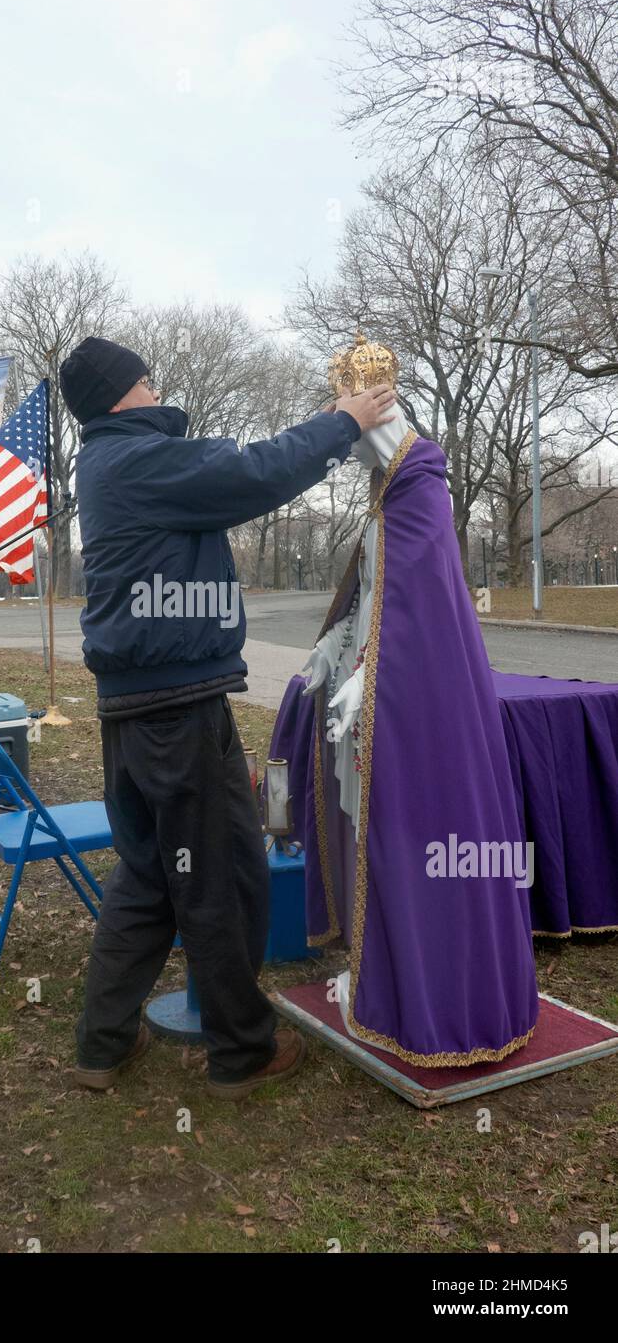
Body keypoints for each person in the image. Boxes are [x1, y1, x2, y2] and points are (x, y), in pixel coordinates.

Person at [60, 334, 397, 1100]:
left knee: (149, 874)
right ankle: (242, 1051)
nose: (155, 393)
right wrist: (342, 423)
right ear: (121, 396)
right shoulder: (136, 458)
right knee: (219, 877)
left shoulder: (113, 460)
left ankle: (103, 1044)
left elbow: (234, 472)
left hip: (136, 708)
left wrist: (324, 425)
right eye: (146, 383)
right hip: (176, 710)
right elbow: (249, 474)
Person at [298, 371, 538, 1065]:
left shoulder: (421, 492)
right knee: (367, 831)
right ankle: (381, 975)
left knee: (406, 838)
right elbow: (370, 601)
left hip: (409, 710)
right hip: (367, 698)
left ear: (380, 422)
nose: (350, 449)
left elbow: (421, 624)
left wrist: (369, 685)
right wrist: (330, 654)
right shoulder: (388, 496)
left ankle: (426, 995)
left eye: (355, 430)